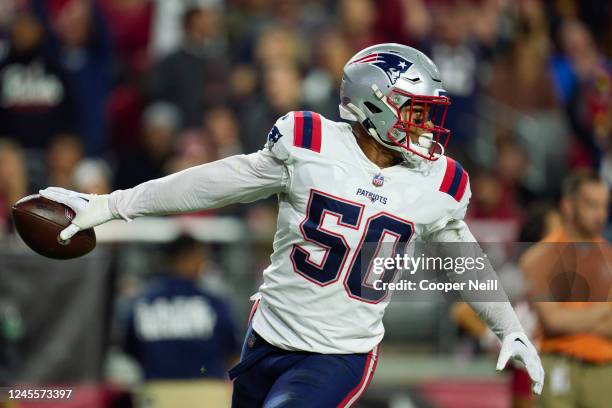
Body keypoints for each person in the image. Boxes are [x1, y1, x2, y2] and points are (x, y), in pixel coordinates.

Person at [38, 44, 544, 407]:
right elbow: (213, 181)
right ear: (374, 104)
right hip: (266, 340)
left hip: (339, 356)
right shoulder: (310, 143)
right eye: (416, 111)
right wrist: (110, 206)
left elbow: (461, 256)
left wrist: (509, 328)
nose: (427, 127)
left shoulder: (438, 181)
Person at [521, 172, 612, 407]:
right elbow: (553, 321)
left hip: (604, 370)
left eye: (604, 206)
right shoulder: (538, 257)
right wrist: (604, 310)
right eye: (591, 205)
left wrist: (571, 318)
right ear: (568, 206)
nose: (600, 214)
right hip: (557, 366)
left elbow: (563, 320)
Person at [123, 234, 239, 380]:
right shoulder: (212, 302)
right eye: (200, 257)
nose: (203, 263)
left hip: (157, 393)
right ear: (187, 258)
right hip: (206, 393)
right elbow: (232, 352)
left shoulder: (143, 301)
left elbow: (130, 349)